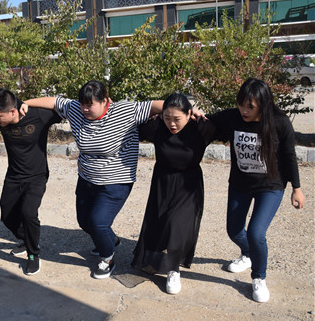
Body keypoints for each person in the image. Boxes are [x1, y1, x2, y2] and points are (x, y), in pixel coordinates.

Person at [24, 80, 176, 280]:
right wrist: (25, 102)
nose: (85, 109)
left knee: (98, 222)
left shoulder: (124, 111)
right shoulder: (76, 110)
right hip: (86, 177)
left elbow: (157, 105)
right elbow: (54, 101)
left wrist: (185, 111)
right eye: (82, 104)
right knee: (84, 222)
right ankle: (111, 240)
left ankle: (107, 258)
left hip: (116, 180)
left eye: (90, 105)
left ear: (105, 101)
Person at [208, 78, 305, 303]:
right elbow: (208, 120)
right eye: (241, 104)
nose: (244, 110)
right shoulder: (233, 117)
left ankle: (259, 277)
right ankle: (248, 254)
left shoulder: (280, 122)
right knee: (234, 231)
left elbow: (289, 156)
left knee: (256, 232)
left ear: (263, 104)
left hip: (271, 186)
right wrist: (189, 113)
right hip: (240, 184)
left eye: (250, 106)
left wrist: (297, 188)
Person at [131, 93, 218, 294]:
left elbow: (229, 123)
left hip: (189, 184)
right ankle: (157, 259)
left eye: (177, 119)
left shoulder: (202, 128)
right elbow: (131, 120)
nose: (172, 123)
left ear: (189, 114)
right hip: (162, 182)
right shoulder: (156, 127)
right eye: (167, 117)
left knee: (177, 225)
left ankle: (173, 270)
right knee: (160, 223)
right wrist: (155, 113)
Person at [0, 88, 62, 276]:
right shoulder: (0, 113)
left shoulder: (38, 115)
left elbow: (61, 104)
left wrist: (28, 102)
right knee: (6, 215)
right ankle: (28, 239)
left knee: (28, 213)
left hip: (37, 176)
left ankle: (33, 254)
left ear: (12, 111)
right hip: (13, 176)